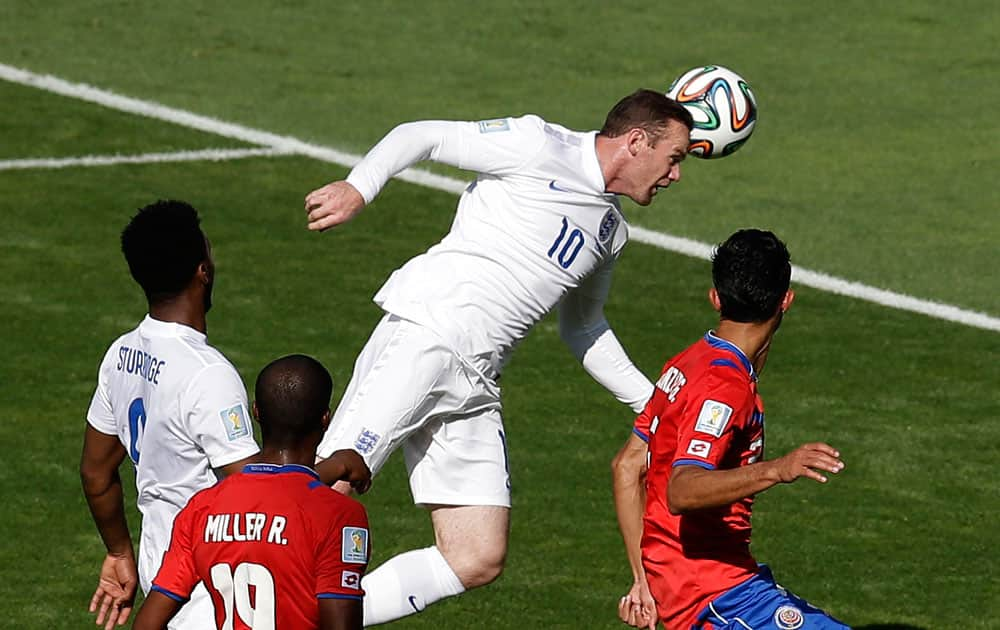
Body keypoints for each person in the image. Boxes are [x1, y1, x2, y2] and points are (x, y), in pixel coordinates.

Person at [304, 89, 695, 624]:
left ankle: (312, 618)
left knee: (476, 555)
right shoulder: (539, 144)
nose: (675, 175)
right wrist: (359, 187)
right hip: (429, 335)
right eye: (674, 158)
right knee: (326, 489)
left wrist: (653, 404)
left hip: (477, 379)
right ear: (635, 142)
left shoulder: (611, 231)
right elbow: (425, 134)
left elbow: (583, 327)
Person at [612, 229, 850, 629]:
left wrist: (644, 580)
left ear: (715, 298)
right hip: (714, 592)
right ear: (786, 300)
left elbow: (626, 466)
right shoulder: (724, 387)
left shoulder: (687, 363)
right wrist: (777, 469)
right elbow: (682, 489)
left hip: (695, 585)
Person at [81, 200, 262, 630]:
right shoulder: (207, 373)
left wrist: (119, 552)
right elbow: (254, 490)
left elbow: (96, 472)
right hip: (212, 579)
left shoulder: (121, 353)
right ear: (203, 270)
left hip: (155, 563)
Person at [133, 354, 370, 630]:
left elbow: (147, 624)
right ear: (325, 419)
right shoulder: (339, 516)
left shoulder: (202, 508)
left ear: (256, 412)